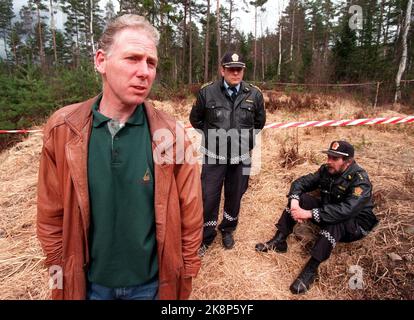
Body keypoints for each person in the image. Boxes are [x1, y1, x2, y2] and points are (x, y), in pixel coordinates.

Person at [37, 14, 203, 300]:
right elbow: (51, 214)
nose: (144, 72)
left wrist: (185, 272)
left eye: (151, 63)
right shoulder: (63, 129)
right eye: (132, 59)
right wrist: (59, 269)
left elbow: (190, 214)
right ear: (100, 61)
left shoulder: (171, 135)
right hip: (88, 285)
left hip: (151, 286)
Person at [255, 140, 378, 294]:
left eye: (334, 158)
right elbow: (300, 183)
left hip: (355, 225)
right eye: (329, 157)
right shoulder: (327, 170)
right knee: (302, 198)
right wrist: (294, 202)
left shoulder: (360, 180)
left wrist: (309, 213)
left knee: (338, 219)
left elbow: (347, 210)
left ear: (348, 161)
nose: (329, 161)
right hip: (329, 210)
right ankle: (280, 240)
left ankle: (311, 269)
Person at [189, 52, 266, 255]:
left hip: (241, 157)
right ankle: (206, 236)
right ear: (222, 70)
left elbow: (258, 123)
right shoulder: (207, 92)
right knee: (209, 196)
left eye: (239, 69)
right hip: (214, 156)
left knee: (235, 195)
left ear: (243, 71)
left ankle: (227, 229)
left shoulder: (254, 94)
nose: (235, 72)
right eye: (231, 69)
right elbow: (196, 120)